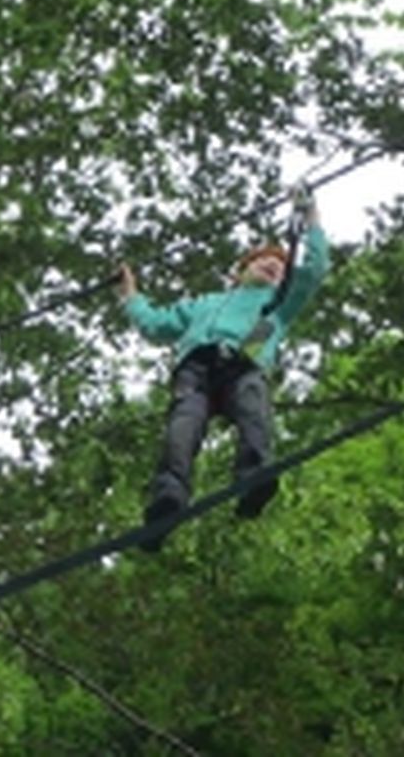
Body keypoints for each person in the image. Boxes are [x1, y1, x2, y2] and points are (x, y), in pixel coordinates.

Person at [117, 191, 329, 550]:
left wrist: (311, 219)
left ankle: (254, 477)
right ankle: (167, 500)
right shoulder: (205, 305)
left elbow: (314, 270)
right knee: (182, 428)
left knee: (252, 407)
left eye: (280, 267)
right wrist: (130, 296)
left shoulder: (276, 306)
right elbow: (154, 323)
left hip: (245, 359)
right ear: (241, 269)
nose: (274, 266)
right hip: (197, 367)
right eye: (264, 261)